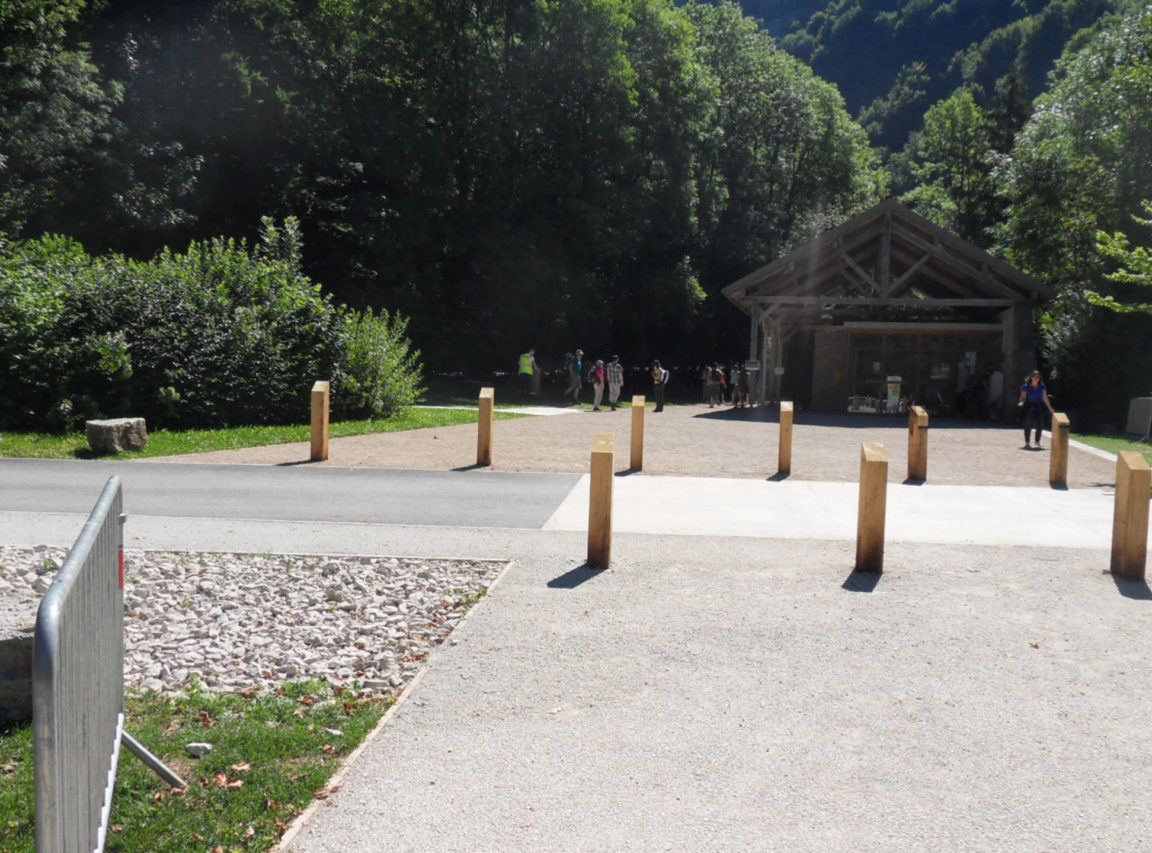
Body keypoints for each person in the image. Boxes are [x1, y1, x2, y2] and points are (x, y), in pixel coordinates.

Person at [1017, 369, 1055, 449]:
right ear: (1031, 377)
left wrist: (1050, 408)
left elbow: (1045, 397)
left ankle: (1037, 441)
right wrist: (1022, 402)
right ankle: (1027, 442)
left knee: (1040, 425)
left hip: (1039, 406)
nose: (1036, 379)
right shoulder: (1026, 386)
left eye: (1037, 377)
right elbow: (1023, 398)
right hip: (1030, 406)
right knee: (1028, 425)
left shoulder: (1042, 386)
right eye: (1034, 377)